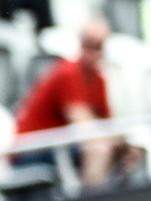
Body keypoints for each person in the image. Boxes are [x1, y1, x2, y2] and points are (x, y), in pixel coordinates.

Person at [15, 18, 133, 189]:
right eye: (90, 45)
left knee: (128, 151)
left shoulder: (97, 78)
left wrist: (123, 144)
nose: (95, 52)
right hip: (33, 148)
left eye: (99, 46)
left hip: (61, 146)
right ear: (81, 44)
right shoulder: (68, 72)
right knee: (99, 149)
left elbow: (106, 122)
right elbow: (83, 124)